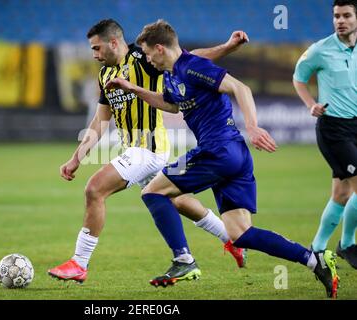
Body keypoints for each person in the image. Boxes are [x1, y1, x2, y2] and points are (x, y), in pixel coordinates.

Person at [107, 19, 340, 298]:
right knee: (241, 234)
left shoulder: (191, 66)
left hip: (216, 151)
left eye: (146, 53)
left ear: (159, 48)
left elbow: (240, 88)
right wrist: (134, 90)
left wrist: (253, 126)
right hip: (234, 156)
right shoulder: (172, 74)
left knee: (153, 191)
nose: (145, 59)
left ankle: (183, 260)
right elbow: (169, 103)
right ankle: (315, 261)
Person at [48, 19, 249, 284]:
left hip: (148, 148)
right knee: (178, 201)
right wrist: (76, 157)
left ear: (114, 42)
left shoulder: (142, 57)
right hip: (143, 152)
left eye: (97, 48)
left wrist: (227, 47)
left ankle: (79, 263)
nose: (94, 54)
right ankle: (230, 238)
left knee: (94, 189)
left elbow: (188, 59)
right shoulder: (105, 75)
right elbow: (99, 122)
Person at [293, 0, 357, 270]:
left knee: (342, 194)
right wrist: (311, 105)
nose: (340, 20)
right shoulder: (320, 50)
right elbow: (299, 78)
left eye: (346, 15)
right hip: (334, 129)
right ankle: (347, 244)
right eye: (336, 16)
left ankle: (317, 250)